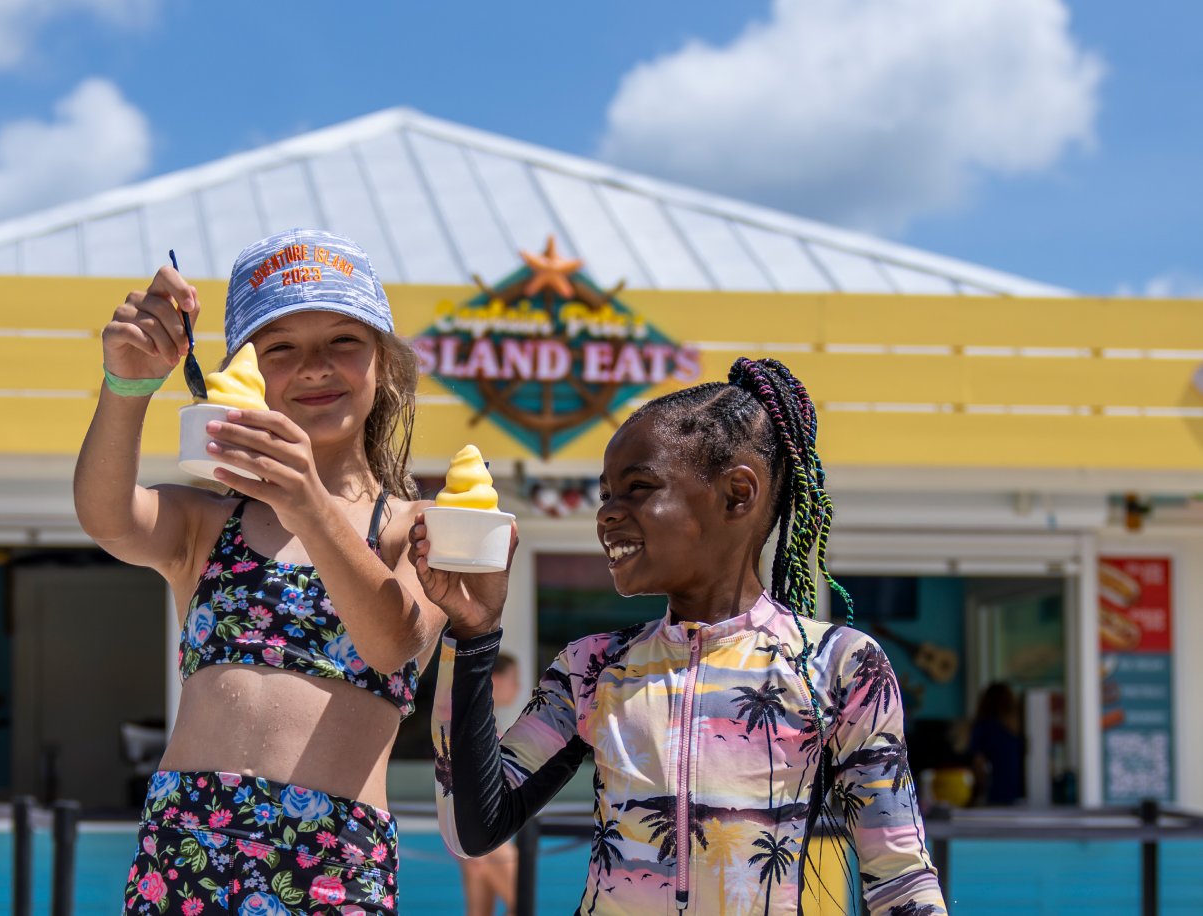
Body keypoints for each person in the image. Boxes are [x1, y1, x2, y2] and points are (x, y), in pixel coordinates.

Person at [415, 358, 947, 915]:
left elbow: (899, 877)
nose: (608, 515)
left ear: (738, 495)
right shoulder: (592, 668)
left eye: (638, 488)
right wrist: (472, 636)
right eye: (605, 495)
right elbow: (470, 828)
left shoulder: (837, 666)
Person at [75, 228, 443, 915]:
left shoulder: (416, 529)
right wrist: (128, 382)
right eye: (280, 348)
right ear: (243, 376)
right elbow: (107, 518)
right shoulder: (210, 524)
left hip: (331, 853)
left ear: (386, 366)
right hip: (187, 841)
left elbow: (394, 642)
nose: (313, 366)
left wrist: (308, 502)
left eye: (343, 341)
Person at [458, 652, 522, 916]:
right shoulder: (480, 729)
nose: (518, 687)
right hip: (487, 836)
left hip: (468, 835)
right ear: (493, 680)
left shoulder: (466, 722)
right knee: (522, 905)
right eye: (513, 680)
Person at [969, 681, 1024, 806]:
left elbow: (979, 767)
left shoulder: (983, 728)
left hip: (996, 795)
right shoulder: (1020, 731)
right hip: (1021, 793)